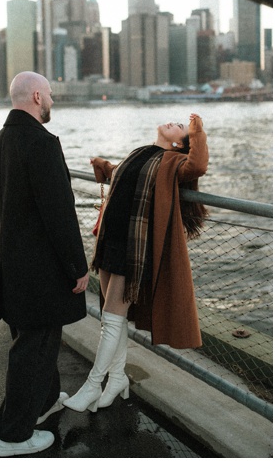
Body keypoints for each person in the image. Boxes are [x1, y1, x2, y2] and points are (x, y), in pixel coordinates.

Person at [64, 114, 209, 413]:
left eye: (179, 127)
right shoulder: (142, 152)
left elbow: (198, 165)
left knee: (112, 318)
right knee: (110, 318)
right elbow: (122, 175)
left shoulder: (172, 162)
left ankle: (93, 385)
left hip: (133, 248)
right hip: (109, 241)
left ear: (178, 143)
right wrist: (104, 167)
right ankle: (117, 378)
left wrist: (197, 132)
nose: (174, 123)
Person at [0, 71, 91, 456]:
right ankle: (11, 437)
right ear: (34, 96)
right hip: (40, 272)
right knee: (34, 348)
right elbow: (59, 213)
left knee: (40, 341)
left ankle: (45, 402)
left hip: (11, 266)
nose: (51, 100)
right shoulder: (42, 144)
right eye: (48, 94)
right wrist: (77, 267)